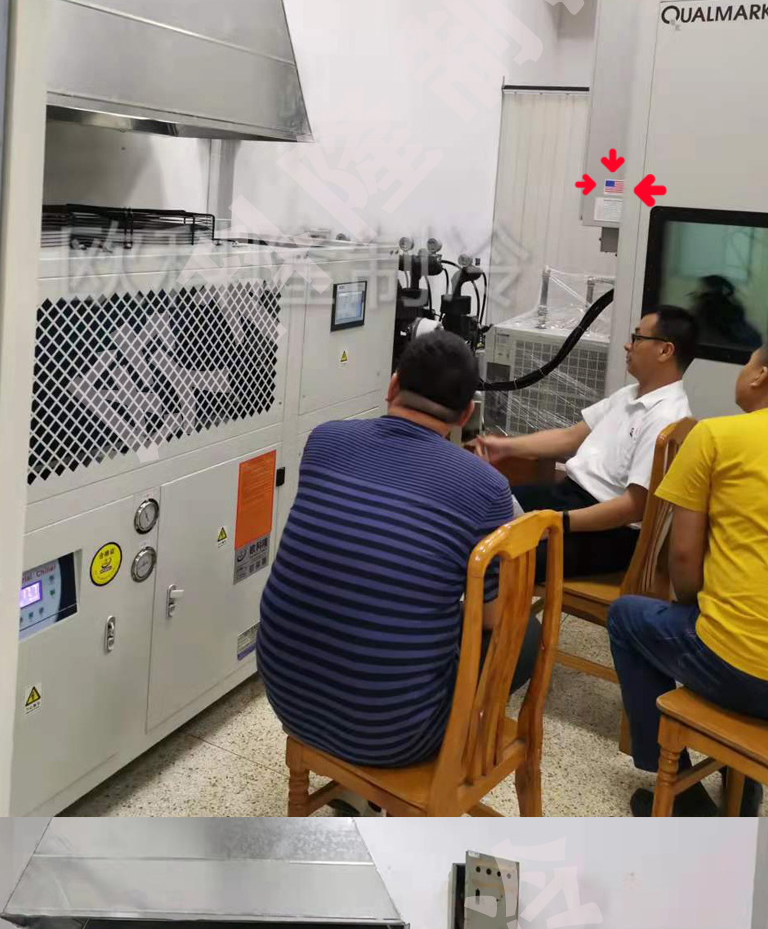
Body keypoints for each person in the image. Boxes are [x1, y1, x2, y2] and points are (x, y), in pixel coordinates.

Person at [257, 330, 538, 769]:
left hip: (288, 703)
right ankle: (426, 760)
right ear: (467, 412)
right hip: (396, 737)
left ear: (393, 385)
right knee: (527, 633)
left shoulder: (324, 440)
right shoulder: (486, 487)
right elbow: (492, 618)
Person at [607, 340, 768, 817]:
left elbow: (682, 557)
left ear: (760, 376)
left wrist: (697, 604)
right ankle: (742, 777)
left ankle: (677, 789)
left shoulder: (715, 436)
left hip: (740, 667)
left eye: (747, 362)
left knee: (627, 617)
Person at [473, 306, 696, 580]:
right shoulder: (630, 394)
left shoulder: (666, 416)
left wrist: (558, 521)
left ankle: (486, 606)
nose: (628, 345)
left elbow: (633, 507)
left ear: (665, 351)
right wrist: (505, 447)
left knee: (496, 557)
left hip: (607, 531)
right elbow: (570, 437)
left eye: (638, 338)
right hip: (569, 497)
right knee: (478, 508)